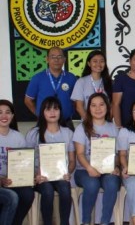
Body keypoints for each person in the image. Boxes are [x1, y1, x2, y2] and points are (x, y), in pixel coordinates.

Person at [25, 96, 75, 225]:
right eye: (48, 109)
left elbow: (72, 160)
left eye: (56, 109)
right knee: (47, 191)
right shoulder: (34, 133)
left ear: (60, 111)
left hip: (60, 176)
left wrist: (68, 172)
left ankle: (65, 223)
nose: (52, 112)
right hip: (41, 177)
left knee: (65, 188)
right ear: (42, 112)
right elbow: (27, 160)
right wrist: (35, 176)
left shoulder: (68, 133)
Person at [73, 93, 120, 224]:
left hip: (107, 170)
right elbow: (80, 154)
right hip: (84, 170)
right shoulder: (81, 128)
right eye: (93, 105)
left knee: (112, 183)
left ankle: (105, 221)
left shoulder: (113, 128)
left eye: (101, 105)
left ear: (107, 107)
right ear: (89, 109)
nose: (98, 109)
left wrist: (115, 166)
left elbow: (116, 154)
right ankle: (86, 221)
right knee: (92, 184)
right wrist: (89, 168)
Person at [25, 46, 77, 129]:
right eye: (53, 57)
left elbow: (76, 101)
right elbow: (28, 100)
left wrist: (70, 112)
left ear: (64, 59)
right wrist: (39, 113)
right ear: (47, 59)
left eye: (59, 57)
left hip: (66, 122)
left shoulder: (71, 78)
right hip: (44, 123)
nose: (56, 60)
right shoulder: (37, 78)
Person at [0, 99, 35, 225]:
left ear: (12, 116)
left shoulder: (18, 137)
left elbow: (24, 164)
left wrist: (29, 176)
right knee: (11, 197)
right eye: (0, 112)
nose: (4, 116)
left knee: (28, 194)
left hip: (12, 181)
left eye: (8, 112)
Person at [71, 50, 112, 120]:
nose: (98, 64)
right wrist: (90, 123)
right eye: (95, 61)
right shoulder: (81, 82)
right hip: (88, 125)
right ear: (89, 63)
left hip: (105, 124)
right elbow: (79, 107)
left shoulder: (110, 82)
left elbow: (112, 105)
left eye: (102, 61)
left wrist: (107, 122)